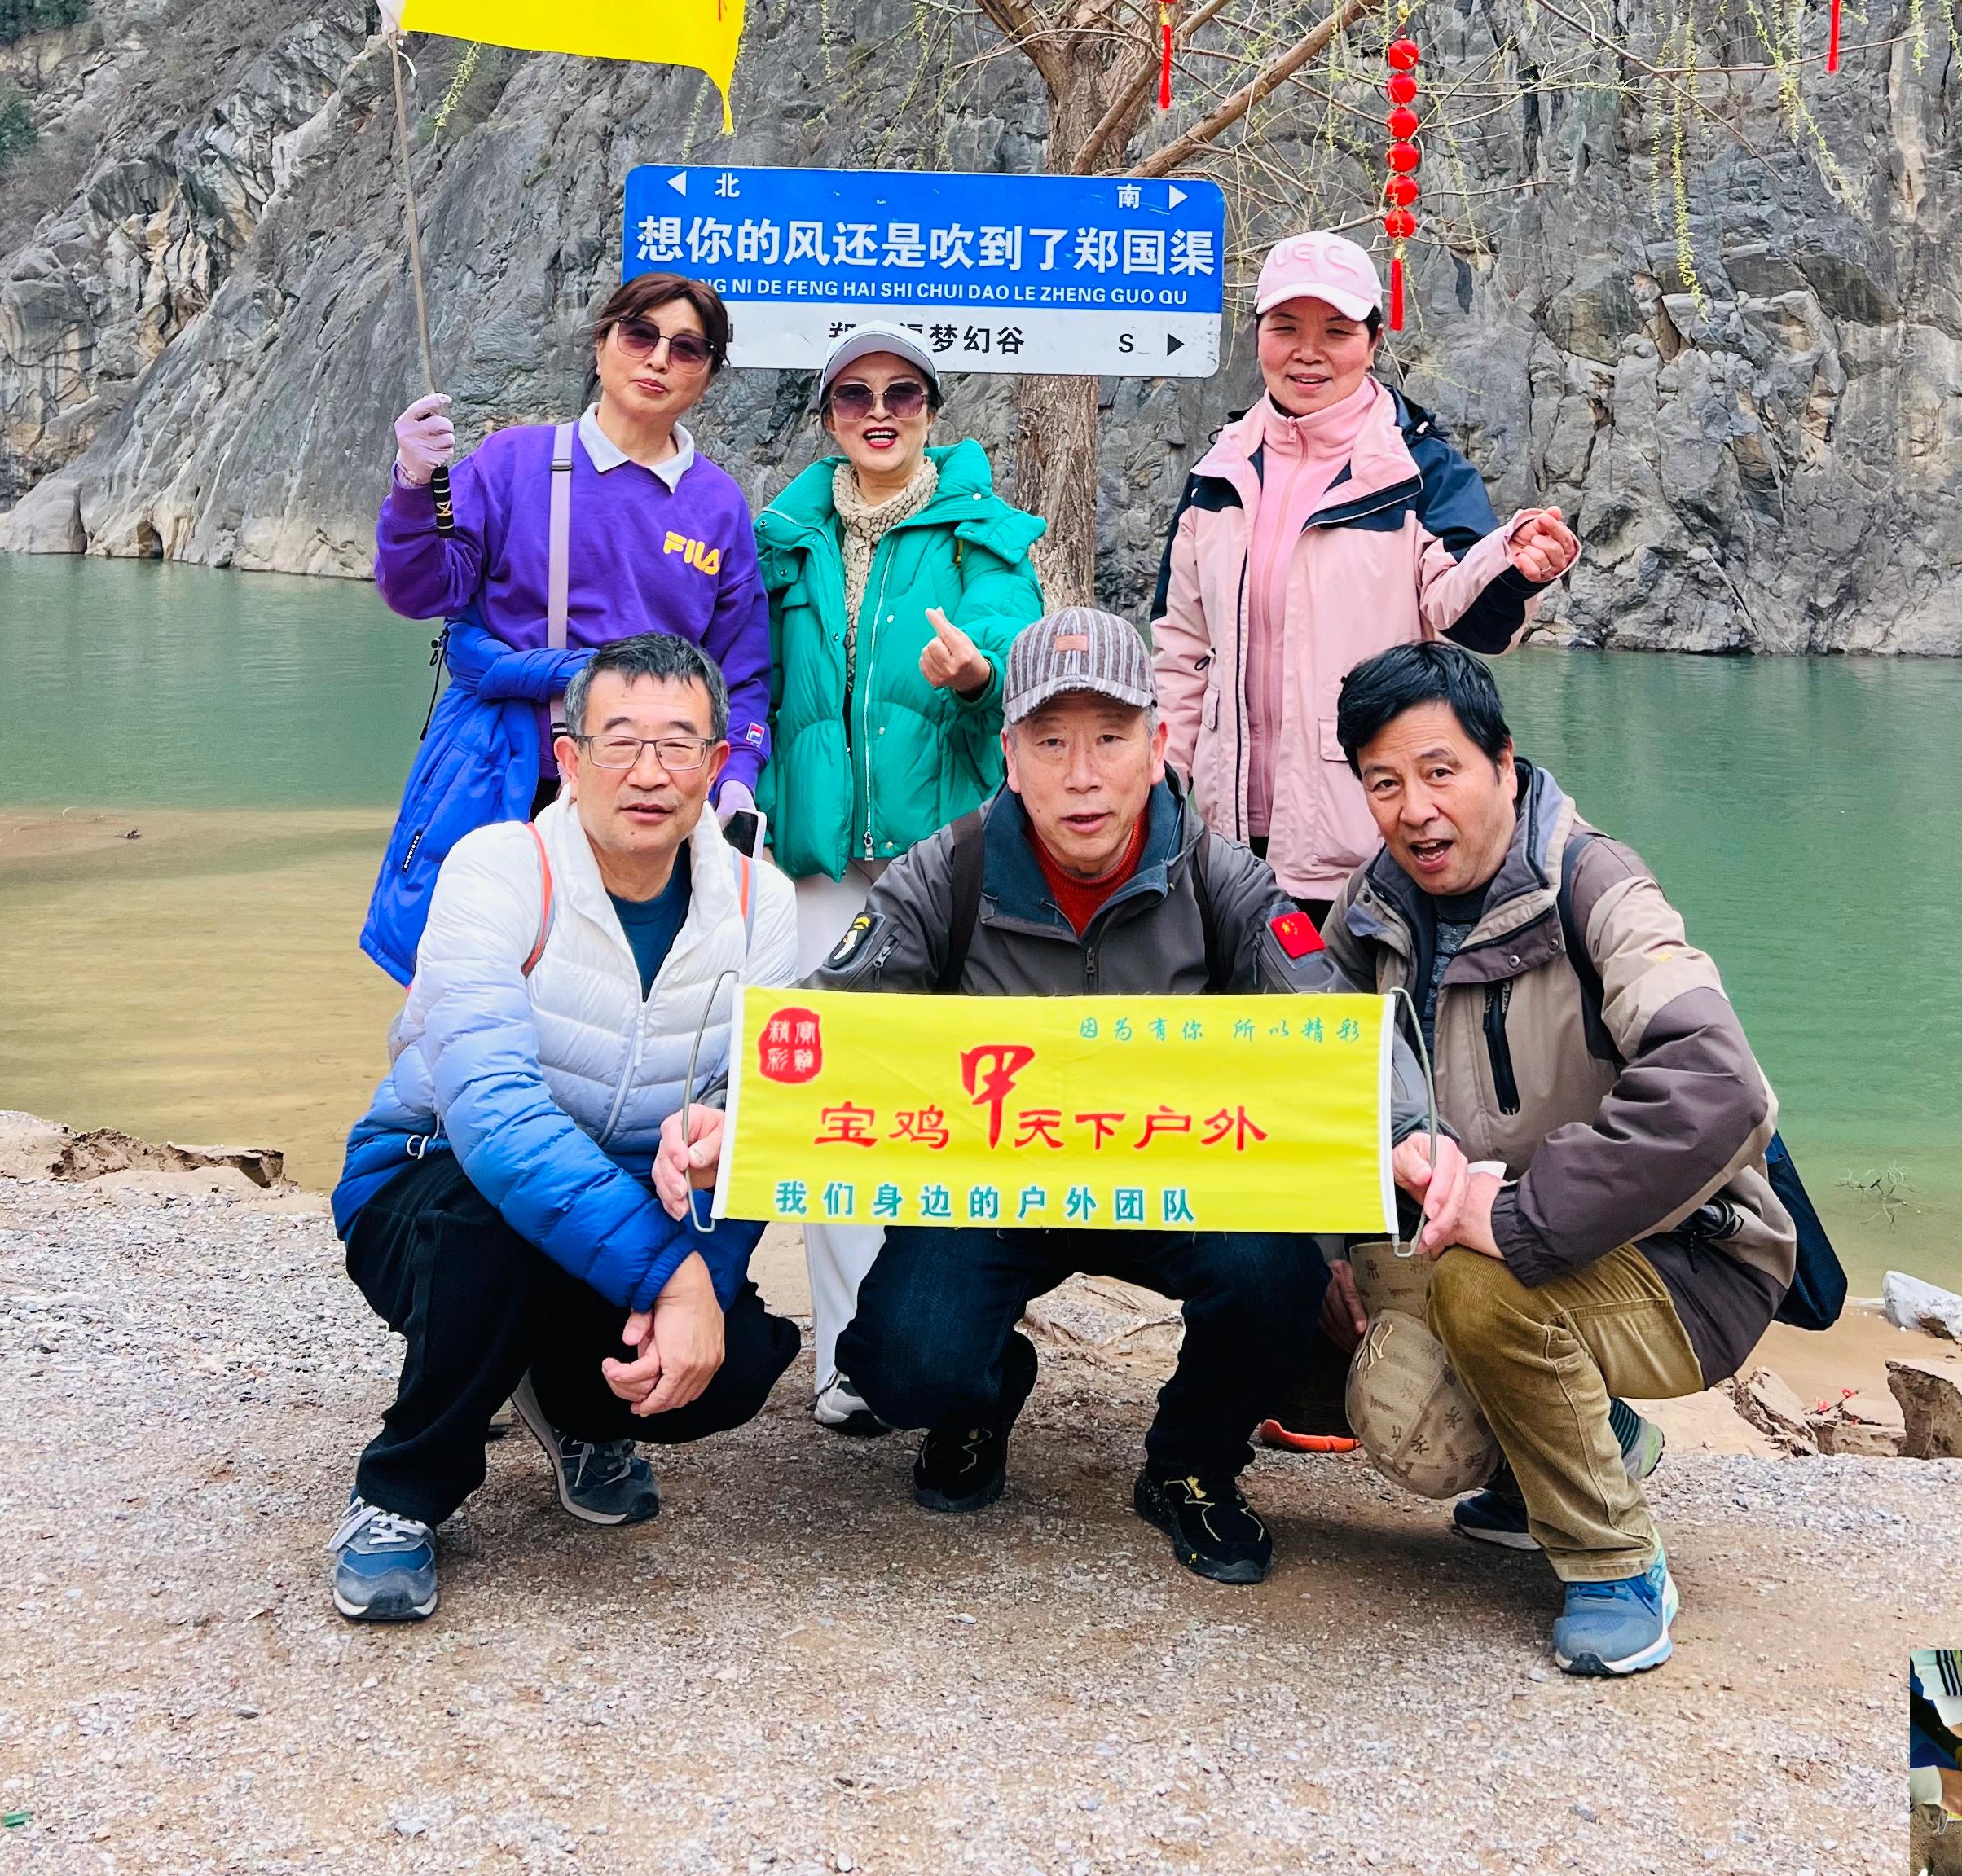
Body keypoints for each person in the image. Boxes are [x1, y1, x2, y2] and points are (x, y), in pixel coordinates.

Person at [664, 608, 1334, 1588]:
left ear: (1157, 747)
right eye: (1050, 742)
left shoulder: (1220, 877)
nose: (1082, 774)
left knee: (1283, 1273)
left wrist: (1407, 1138)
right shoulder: (950, 869)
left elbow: (1331, 1028)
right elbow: (828, 1015)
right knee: (898, 1367)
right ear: (1010, 755)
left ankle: (1191, 1462)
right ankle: (983, 1392)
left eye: (1111, 738)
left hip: (1175, 1185)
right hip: (996, 1193)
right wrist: (734, 1106)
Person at [1321, 639, 1793, 1679]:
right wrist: (1345, 1234)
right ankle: (1568, 1451)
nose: (1415, 810)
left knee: (1483, 1291)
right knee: (1375, 1370)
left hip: (1690, 1257)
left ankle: (1615, 1565)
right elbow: (1326, 1059)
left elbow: (1722, 1084)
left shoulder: (1599, 888)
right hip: (1499, 1237)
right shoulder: (1376, 906)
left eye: (1440, 771)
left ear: (1503, 761)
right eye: (1384, 784)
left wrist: (1521, 1218)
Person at [328, 632, 800, 1625]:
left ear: (717, 763)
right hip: (431, 1179)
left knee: (734, 1364)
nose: (649, 772)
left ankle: (573, 1406)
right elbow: (493, 1118)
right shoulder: (499, 870)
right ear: (571, 758)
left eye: (678, 745)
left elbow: (764, 1116)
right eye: (619, 741)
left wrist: (709, 1271)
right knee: (491, 1229)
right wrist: (672, 1279)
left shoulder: (764, 904)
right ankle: (403, 1488)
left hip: (625, 1198)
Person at [754, 322, 1046, 1430]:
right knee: (835, 1101)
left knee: (954, 1102)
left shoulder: (981, 531)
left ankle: (952, 1344)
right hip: (821, 862)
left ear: (932, 409)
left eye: (902, 394)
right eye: (854, 396)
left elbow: (1019, 656)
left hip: (948, 860)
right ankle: (847, 1361)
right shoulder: (784, 539)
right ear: (828, 416)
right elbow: (747, 684)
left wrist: (976, 673)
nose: (878, 413)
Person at [1152, 230, 1581, 907]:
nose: (1308, 352)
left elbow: (1470, 617)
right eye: (1285, 328)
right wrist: (1164, 796)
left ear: (1374, 342)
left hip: (1371, 843)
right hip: (1220, 843)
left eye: (1337, 332)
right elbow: (1181, 651)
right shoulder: (1218, 473)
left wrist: (1514, 561)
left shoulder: (1420, 470)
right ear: (1258, 336)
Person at [363, 269, 771, 980]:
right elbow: (420, 588)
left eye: (686, 349)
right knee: (474, 979)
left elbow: (739, 667)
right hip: (511, 769)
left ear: (707, 376)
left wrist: (735, 773)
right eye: (640, 335)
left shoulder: (718, 505)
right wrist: (412, 485)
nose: (658, 359)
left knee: (626, 988)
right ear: (602, 343)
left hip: (648, 786)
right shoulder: (514, 463)